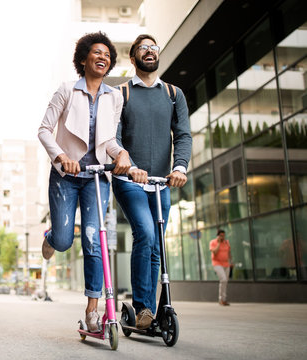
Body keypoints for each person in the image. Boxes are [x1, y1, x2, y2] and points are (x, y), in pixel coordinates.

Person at [38, 32, 131, 332]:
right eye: (96, 52)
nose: (102, 57)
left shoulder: (114, 97)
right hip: (66, 177)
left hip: (96, 179)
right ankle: (52, 237)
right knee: (66, 240)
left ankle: (93, 310)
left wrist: (123, 154)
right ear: (83, 59)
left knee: (94, 242)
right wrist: (62, 155)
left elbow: (111, 141)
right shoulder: (66, 90)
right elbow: (43, 130)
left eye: (107, 54)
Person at [112, 34, 192, 329]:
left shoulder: (173, 94)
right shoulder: (121, 93)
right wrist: (129, 165)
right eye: (143, 48)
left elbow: (183, 135)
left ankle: (154, 310)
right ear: (132, 59)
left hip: (161, 182)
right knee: (145, 233)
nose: (149, 51)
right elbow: (114, 135)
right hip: (130, 180)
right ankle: (143, 307)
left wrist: (180, 166)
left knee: (157, 243)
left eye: (153, 47)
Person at [210, 229, 232, 305]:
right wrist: (219, 243)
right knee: (223, 279)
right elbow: (215, 252)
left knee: (225, 282)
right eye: (221, 235)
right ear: (218, 236)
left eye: (223, 235)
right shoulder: (213, 242)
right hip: (217, 263)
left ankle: (224, 299)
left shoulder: (227, 242)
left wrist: (231, 262)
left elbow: (229, 252)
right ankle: (221, 299)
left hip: (226, 264)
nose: (223, 237)